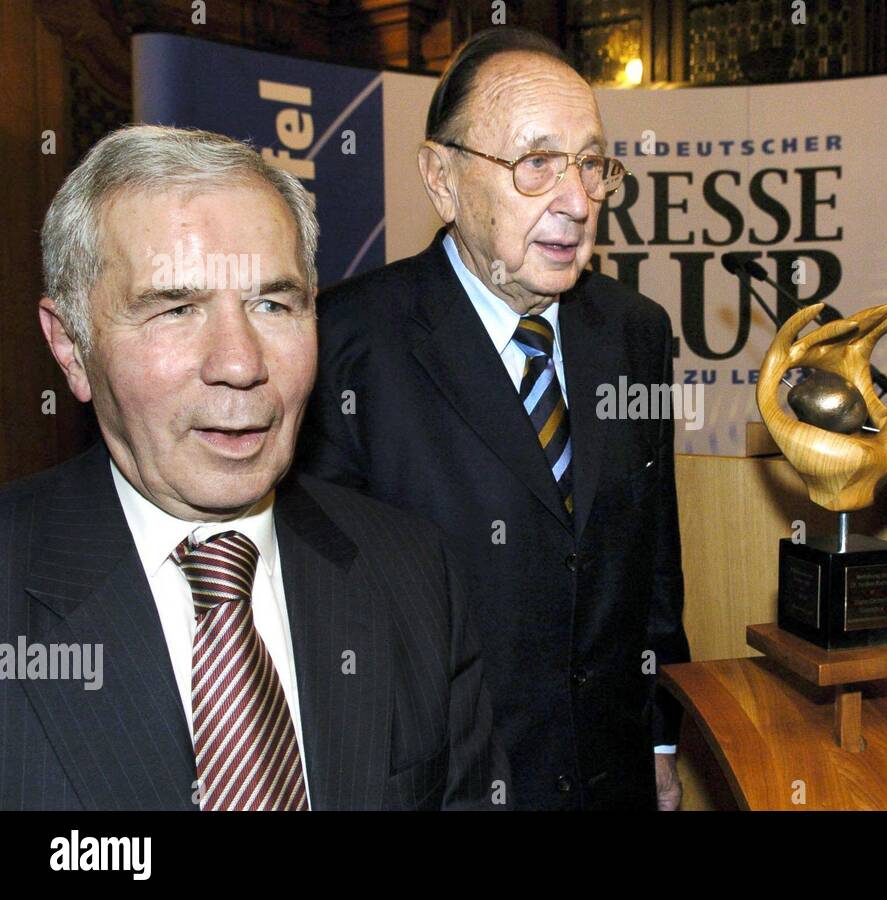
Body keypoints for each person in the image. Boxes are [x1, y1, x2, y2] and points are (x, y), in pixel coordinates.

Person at [0, 124, 507, 810]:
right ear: (69, 348)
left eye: (273, 304)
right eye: (177, 308)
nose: (240, 364)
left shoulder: (415, 573)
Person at [300, 27, 690, 811]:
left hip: (611, 779)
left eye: (590, 164)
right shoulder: (345, 342)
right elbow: (321, 613)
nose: (576, 201)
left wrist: (658, 738)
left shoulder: (635, 332)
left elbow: (651, 558)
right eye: (536, 163)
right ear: (441, 178)